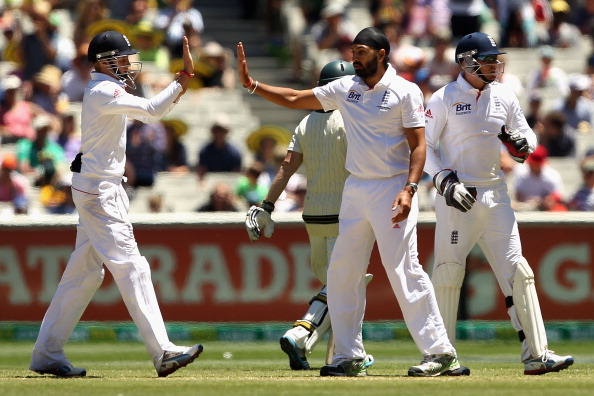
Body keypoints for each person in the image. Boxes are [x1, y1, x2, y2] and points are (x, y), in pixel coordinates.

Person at [237, 26, 465, 377]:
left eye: (360, 51)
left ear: (381, 54)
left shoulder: (405, 91)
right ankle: (347, 355)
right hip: (356, 189)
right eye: (353, 52)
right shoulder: (346, 87)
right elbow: (297, 99)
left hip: (392, 188)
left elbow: (419, 145)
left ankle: (441, 353)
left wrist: (409, 188)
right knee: (343, 273)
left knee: (404, 271)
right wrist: (253, 85)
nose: (354, 58)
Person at [29, 30, 202, 377]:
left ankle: (47, 354)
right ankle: (164, 351)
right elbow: (153, 111)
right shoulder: (104, 89)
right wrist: (183, 78)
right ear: (104, 61)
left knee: (85, 274)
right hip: (100, 192)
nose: (127, 63)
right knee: (132, 267)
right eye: (121, 58)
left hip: (99, 188)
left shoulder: (106, 89)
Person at [423, 31, 574, 375]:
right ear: (466, 62)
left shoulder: (504, 95)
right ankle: (441, 356)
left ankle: (537, 354)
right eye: (487, 59)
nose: (494, 64)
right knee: (448, 273)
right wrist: (444, 180)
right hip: (457, 195)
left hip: (496, 194)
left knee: (517, 271)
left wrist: (523, 143)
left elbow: (526, 134)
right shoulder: (443, 98)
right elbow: (425, 148)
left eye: (495, 59)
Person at [246, 60, 365, 370]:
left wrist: (266, 205)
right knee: (344, 287)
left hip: (313, 217)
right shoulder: (352, 118)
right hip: (345, 215)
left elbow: (286, 167)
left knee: (340, 288)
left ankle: (332, 354)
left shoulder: (304, 124)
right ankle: (302, 334)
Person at [513, 145, 567, 211]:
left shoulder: (552, 176)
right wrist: (529, 203)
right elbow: (518, 197)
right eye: (531, 163)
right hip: (525, 208)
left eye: (535, 163)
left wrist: (542, 201)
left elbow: (559, 197)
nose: (531, 165)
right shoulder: (521, 171)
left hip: (546, 210)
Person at [196, 115, 242, 181]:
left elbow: (236, 174)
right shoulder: (205, 151)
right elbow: (202, 171)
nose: (219, 133)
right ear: (213, 131)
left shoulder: (234, 152)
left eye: (222, 130)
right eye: (217, 130)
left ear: (226, 132)